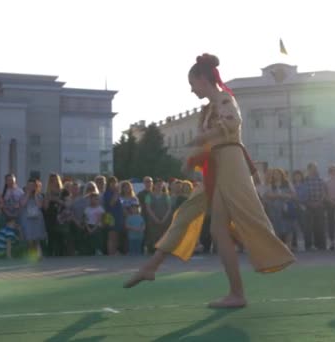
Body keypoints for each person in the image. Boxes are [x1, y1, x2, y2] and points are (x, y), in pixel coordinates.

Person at [124, 54, 295, 308]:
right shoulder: (206, 111)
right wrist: (194, 156)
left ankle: (238, 290)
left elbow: (232, 124)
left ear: (203, 79)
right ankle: (154, 267)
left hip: (231, 163)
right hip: (217, 164)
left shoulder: (226, 99)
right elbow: (211, 142)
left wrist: (202, 140)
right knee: (195, 217)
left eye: (192, 83)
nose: (192, 89)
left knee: (245, 217)